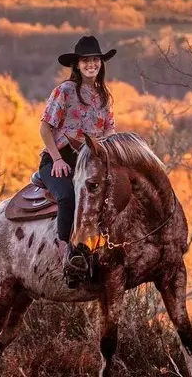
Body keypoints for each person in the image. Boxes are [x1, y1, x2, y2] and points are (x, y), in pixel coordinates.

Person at [39, 35, 117, 288]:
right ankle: (67, 257)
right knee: (69, 197)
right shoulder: (65, 91)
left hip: (92, 161)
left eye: (95, 60)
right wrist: (57, 159)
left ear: (101, 64)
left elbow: (109, 136)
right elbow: (45, 128)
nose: (91, 64)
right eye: (85, 61)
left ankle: (108, 255)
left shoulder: (105, 98)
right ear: (77, 65)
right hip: (60, 157)